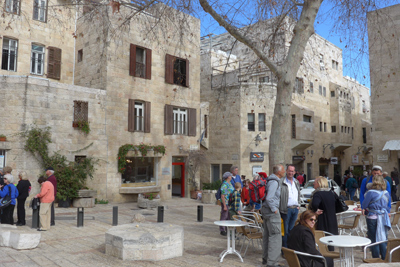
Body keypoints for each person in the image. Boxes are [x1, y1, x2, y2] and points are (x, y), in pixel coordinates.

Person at [362, 175, 391, 260]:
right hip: (383, 217)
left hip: (373, 217)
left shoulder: (370, 193)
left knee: (373, 238)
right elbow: (387, 205)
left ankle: (375, 258)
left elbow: (364, 205)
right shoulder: (386, 193)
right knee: (383, 237)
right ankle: (384, 257)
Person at [262, 164, 283, 266]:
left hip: (266, 211)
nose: (284, 171)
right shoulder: (274, 182)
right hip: (271, 212)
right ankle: (272, 263)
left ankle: (266, 259)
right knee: (275, 237)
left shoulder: (270, 180)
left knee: (267, 236)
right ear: (278, 172)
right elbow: (269, 198)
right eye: (283, 170)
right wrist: (275, 209)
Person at [310, 176, 338, 244]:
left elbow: (315, 204)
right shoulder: (331, 192)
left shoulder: (318, 193)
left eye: (315, 182)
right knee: (331, 240)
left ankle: (323, 252)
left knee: (322, 239)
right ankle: (330, 252)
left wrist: (316, 210)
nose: (313, 183)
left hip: (322, 219)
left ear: (319, 183)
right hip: (332, 218)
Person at [279, 165, 301, 248]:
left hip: (295, 209)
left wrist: (298, 204)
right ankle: (284, 249)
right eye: (289, 171)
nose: (290, 173)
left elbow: (298, 193)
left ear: (295, 172)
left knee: (291, 230)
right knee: (285, 231)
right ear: (286, 171)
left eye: (292, 171)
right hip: (286, 209)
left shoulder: (296, 182)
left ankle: (290, 247)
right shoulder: (282, 182)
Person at [219, 172, 234, 236]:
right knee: (224, 216)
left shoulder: (229, 183)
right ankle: (222, 230)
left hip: (230, 202)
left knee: (228, 217)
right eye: (230, 176)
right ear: (228, 177)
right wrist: (224, 206)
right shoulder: (224, 185)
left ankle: (228, 229)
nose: (231, 177)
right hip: (226, 202)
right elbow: (223, 196)